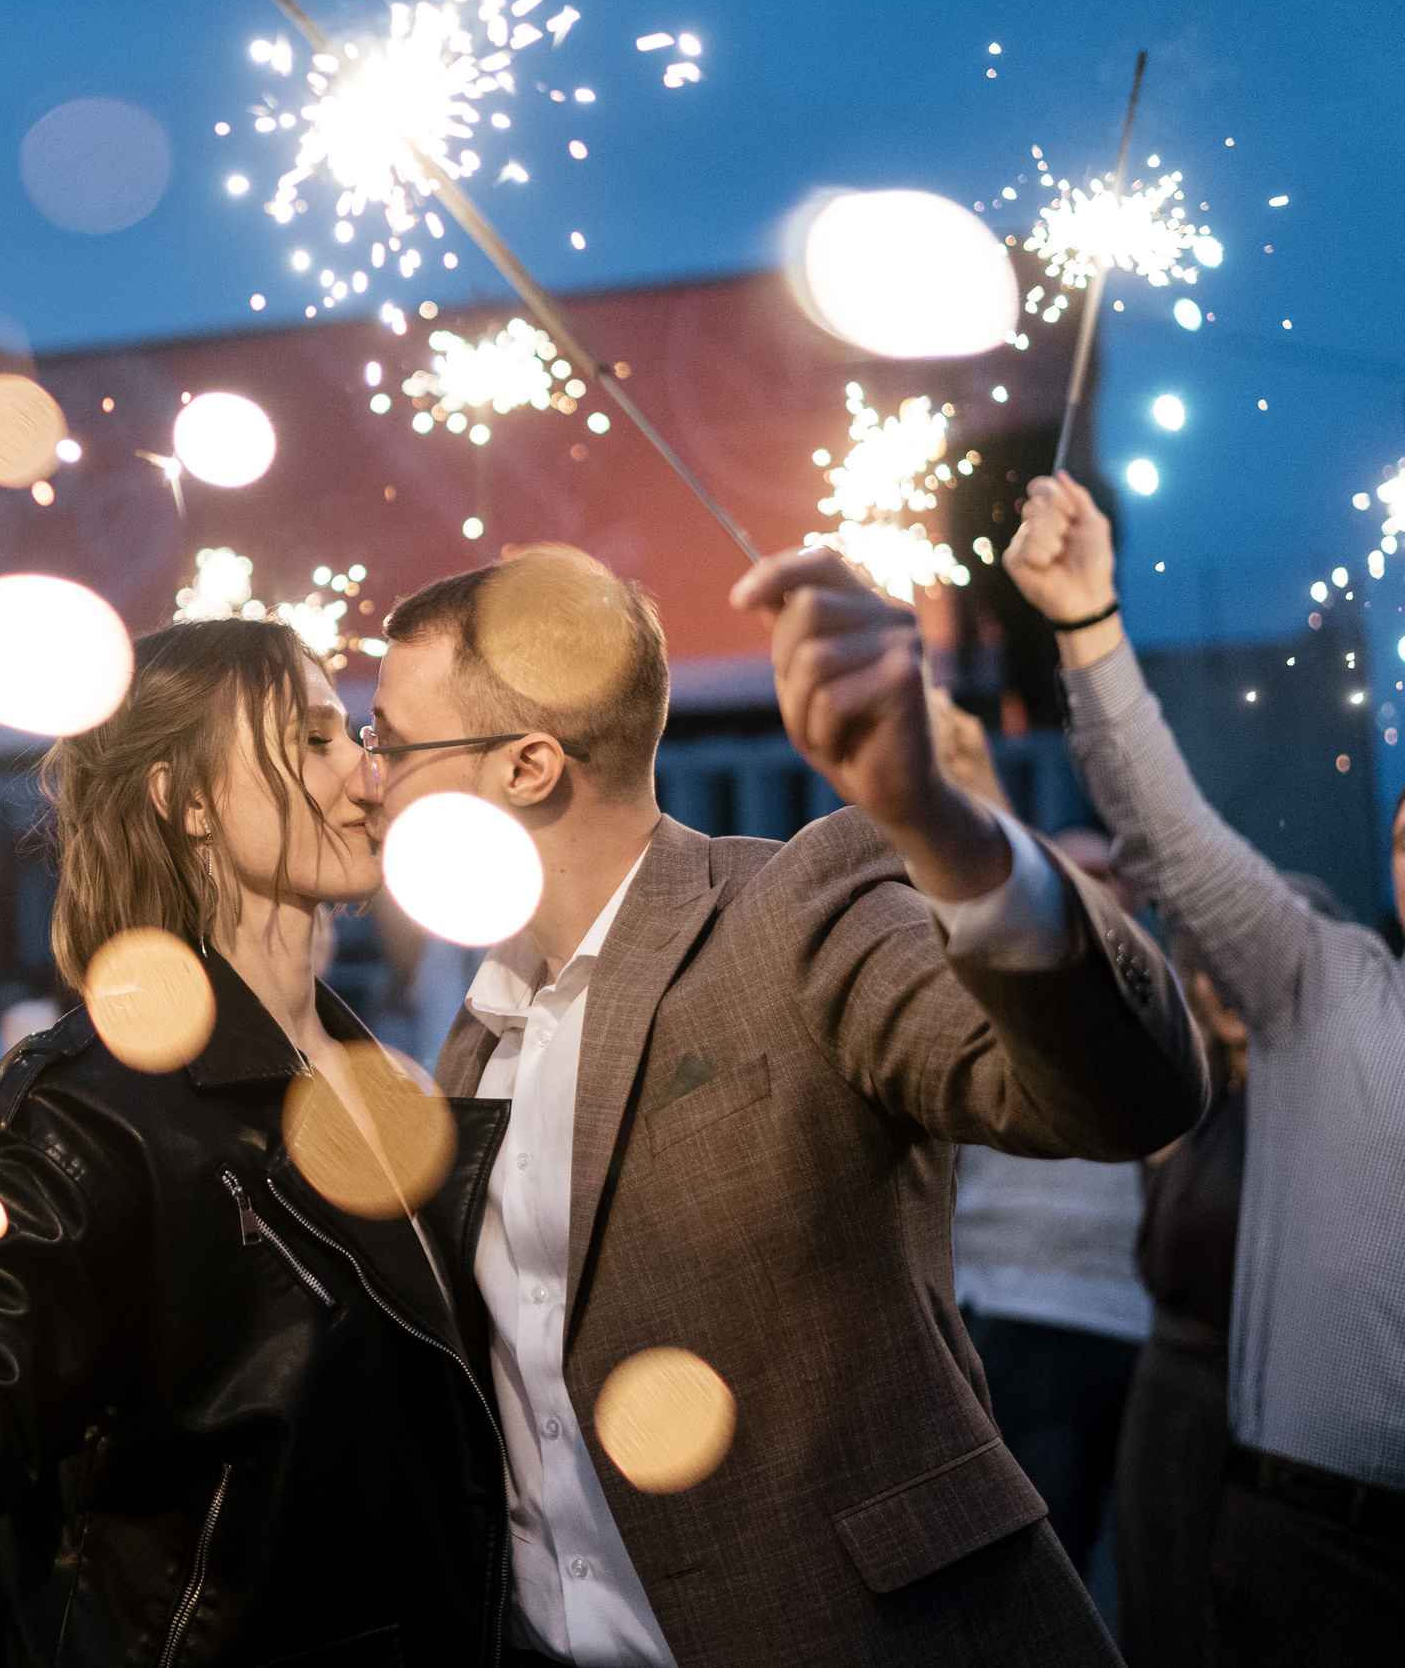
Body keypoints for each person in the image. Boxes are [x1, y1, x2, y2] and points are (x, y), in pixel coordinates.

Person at [369, 543, 1205, 1665]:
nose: (364, 780)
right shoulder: (479, 1033)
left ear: (527, 766)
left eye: (388, 742)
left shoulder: (792, 908)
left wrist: (939, 822)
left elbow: (1125, 1096)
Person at [0, 620, 512, 1666]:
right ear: (187, 799)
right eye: (310, 742)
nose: (366, 772)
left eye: (351, 735)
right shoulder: (94, 1098)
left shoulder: (379, 1081)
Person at [1008, 474, 1405, 1667]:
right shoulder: (1328, 983)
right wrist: (1087, 622)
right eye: (1404, 836)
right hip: (1309, 1543)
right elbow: (1168, 834)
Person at [951, 828, 1154, 1576]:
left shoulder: (1163, 1002)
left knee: (1129, 1564)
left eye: (1107, 872)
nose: (1095, 886)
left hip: (1129, 1322)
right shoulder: (997, 994)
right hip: (1019, 1311)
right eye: (1073, 873)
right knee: (1038, 1562)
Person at [1113, 915, 1250, 1668]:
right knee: (1163, 1617)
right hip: (1172, 1396)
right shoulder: (1190, 1093)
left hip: (1264, 1401)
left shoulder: (1324, 1105)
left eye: (1244, 965)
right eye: (1210, 968)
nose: (1227, 987)